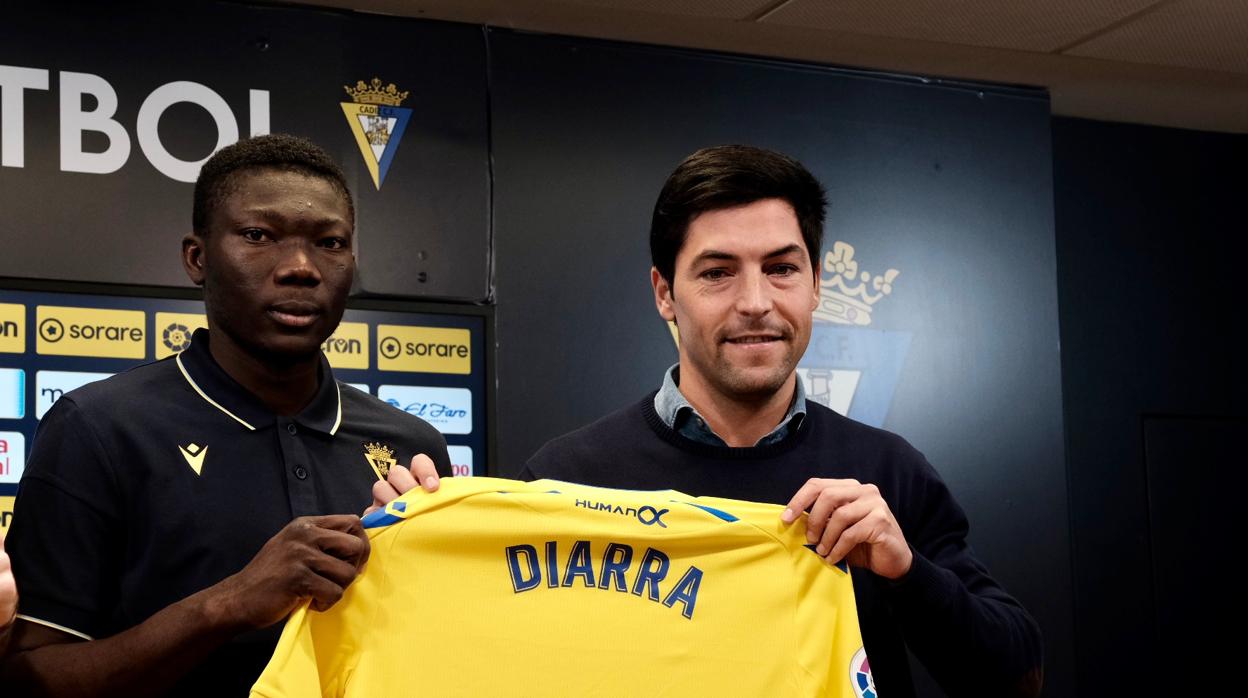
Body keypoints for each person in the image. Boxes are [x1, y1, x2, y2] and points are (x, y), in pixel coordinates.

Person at [394, 144, 1043, 697]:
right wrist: (417, 552)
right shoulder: (568, 479)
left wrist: (908, 574)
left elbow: (1018, 679)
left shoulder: (886, 475)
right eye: (717, 273)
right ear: (664, 294)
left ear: (816, 284)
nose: (756, 302)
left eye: (782, 269)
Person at [0, 134, 449, 696]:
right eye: (259, 236)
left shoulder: (412, 444)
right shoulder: (98, 428)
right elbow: (26, 679)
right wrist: (228, 604)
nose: (301, 268)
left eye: (330, 243)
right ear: (198, 258)